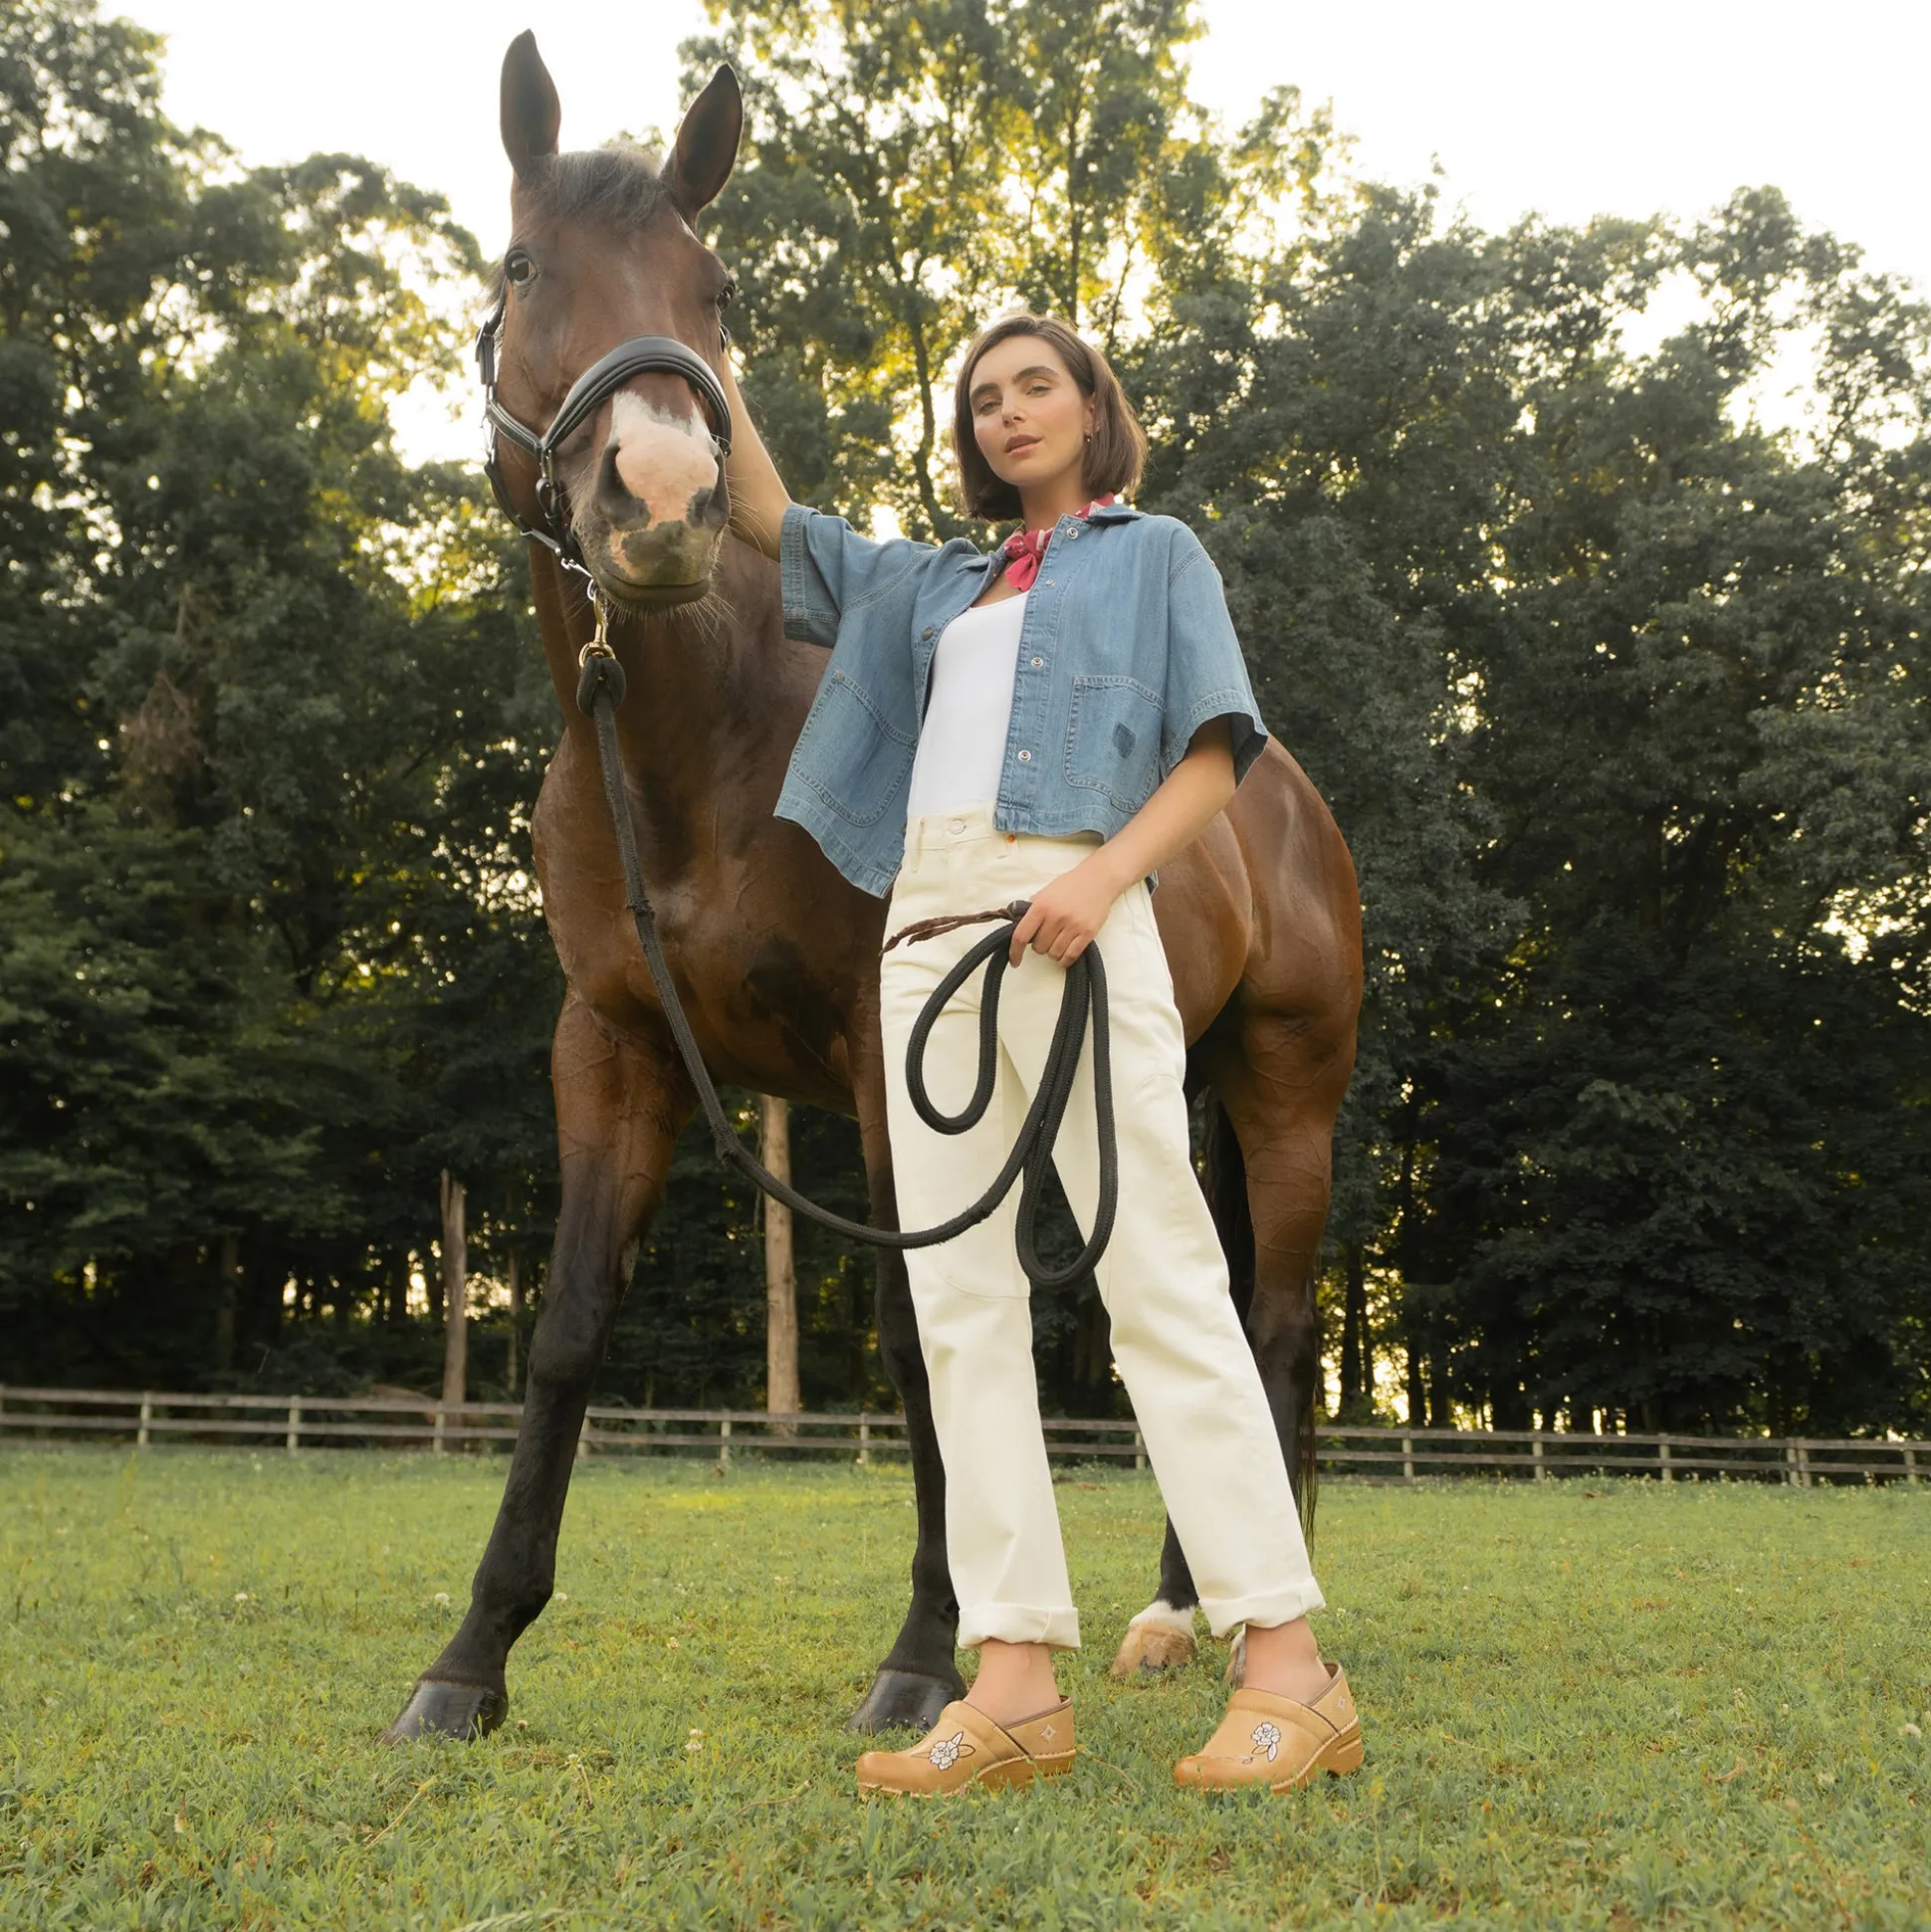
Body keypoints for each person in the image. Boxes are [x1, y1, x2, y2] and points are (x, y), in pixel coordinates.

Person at [721, 311, 1362, 1796]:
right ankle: (1011, 1680)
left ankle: (1288, 1664)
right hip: (925, 939)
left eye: (1036, 388)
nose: (1009, 415)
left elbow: (1221, 748)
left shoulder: (1155, 557)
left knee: (1157, 1286)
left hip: (1073, 916)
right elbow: (764, 515)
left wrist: (1097, 879)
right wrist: (696, 352)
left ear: (1089, 407)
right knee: (957, 1310)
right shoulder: (927, 580)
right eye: (984, 399)